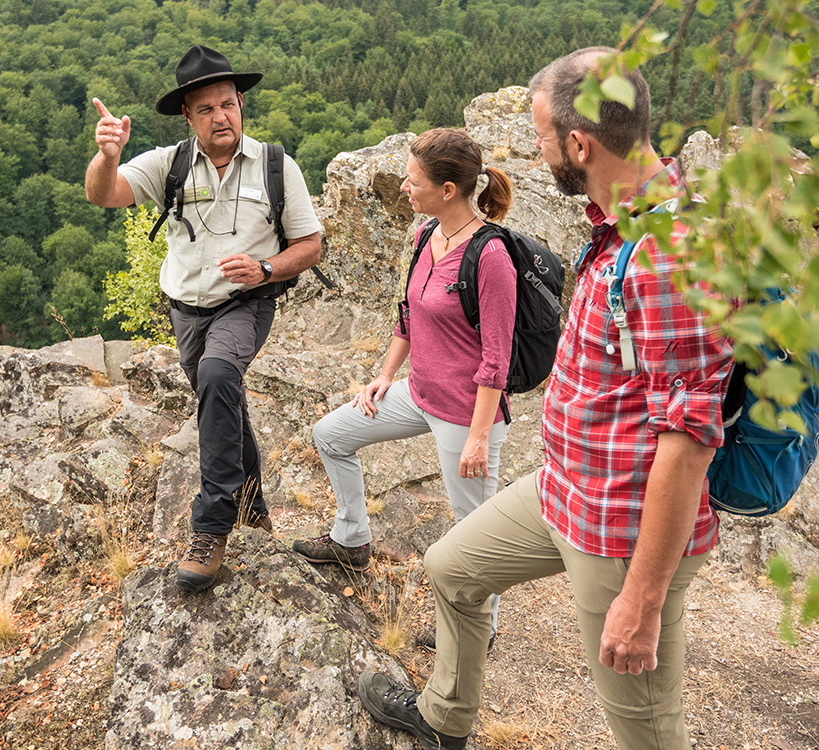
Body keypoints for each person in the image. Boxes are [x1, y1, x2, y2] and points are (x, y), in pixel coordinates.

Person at [356, 48, 733, 750]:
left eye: (541, 137)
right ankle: (446, 717)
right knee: (451, 569)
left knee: (647, 733)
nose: (535, 149)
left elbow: (687, 440)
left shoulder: (671, 255)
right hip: (566, 488)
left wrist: (643, 602)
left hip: (621, 527)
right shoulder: (620, 225)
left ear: (581, 144)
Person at [85, 45, 321, 592]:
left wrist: (266, 267)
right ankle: (253, 507)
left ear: (241, 103)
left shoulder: (276, 167)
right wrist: (108, 156)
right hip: (185, 309)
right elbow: (103, 195)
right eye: (207, 108)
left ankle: (212, 527)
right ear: (189, 117)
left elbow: (310, 244)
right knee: (223, 402)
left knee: (218, 377)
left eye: (228, 104)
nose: (221, 116)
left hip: (248, 302)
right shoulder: (168, 164)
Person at [293, 128, 516, 649]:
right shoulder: (424, 236)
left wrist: (481, 435)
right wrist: (384, 375)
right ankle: (351, 539)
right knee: (331, 435)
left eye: (413, 181)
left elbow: (496, 359)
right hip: (418, 392)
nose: (403, 188)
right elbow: (407, 318)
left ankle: (476, 630)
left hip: (467, 413)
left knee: (474, 529)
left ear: (447, 190)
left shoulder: (491, 257)